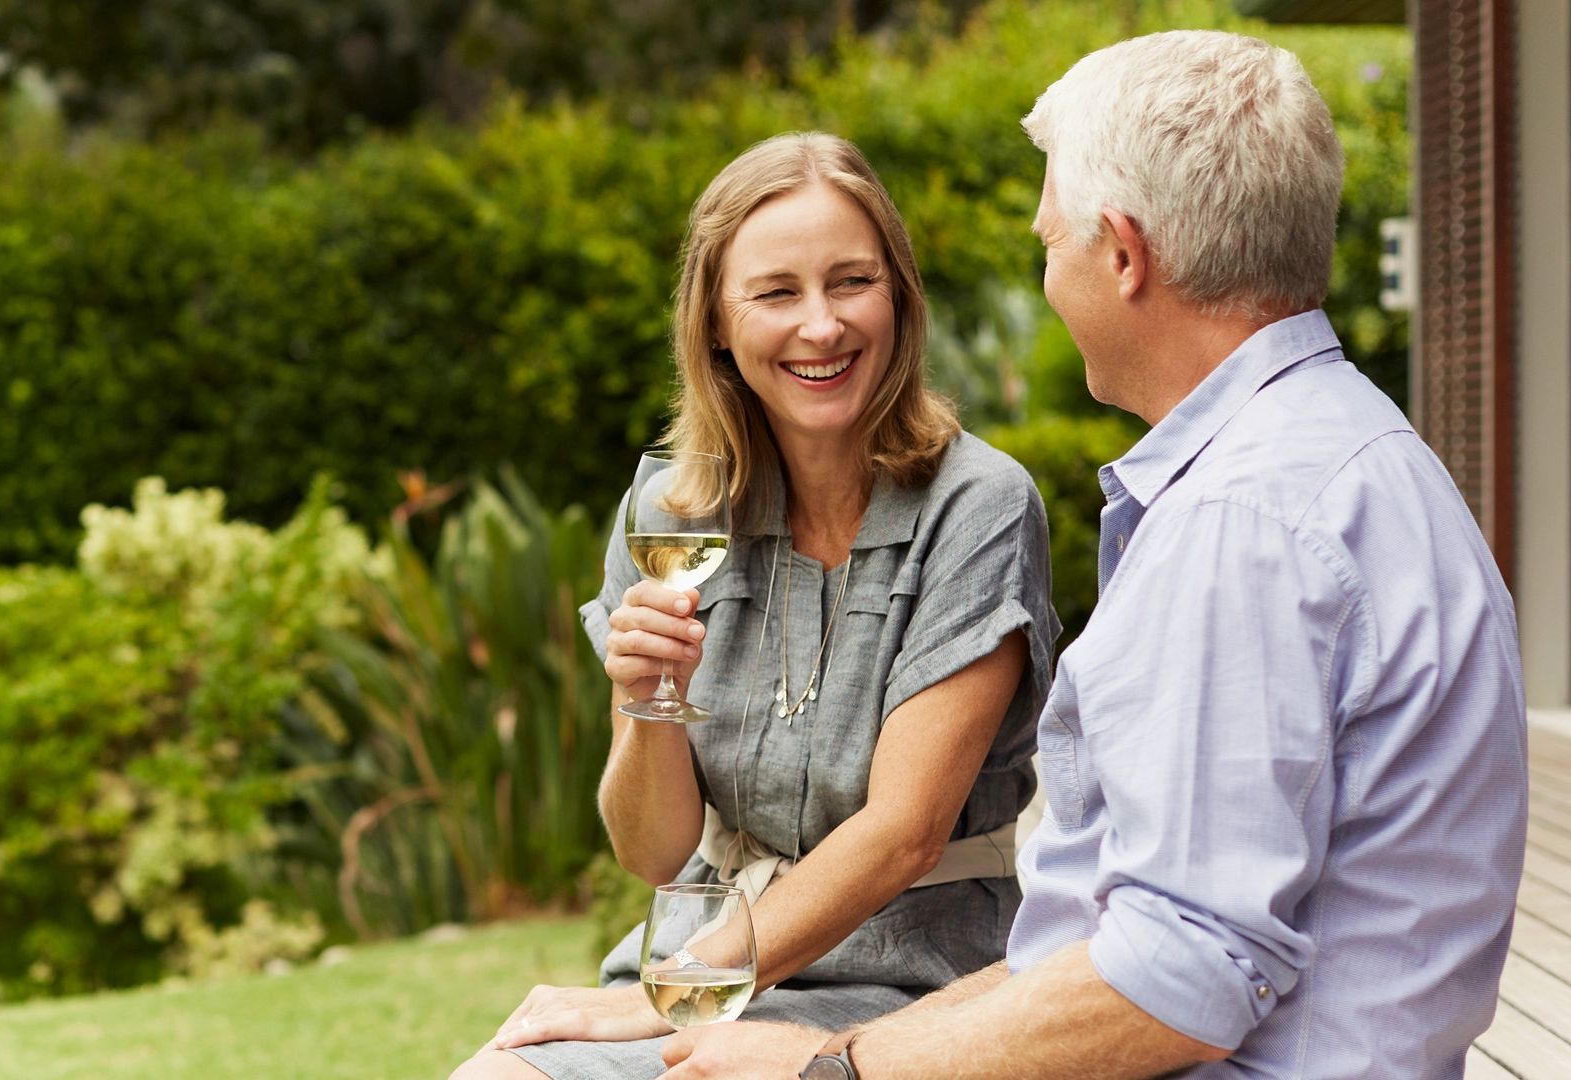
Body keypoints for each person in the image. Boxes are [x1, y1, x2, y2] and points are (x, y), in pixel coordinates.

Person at [659, 29, 1529, 1080]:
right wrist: (836, 1050)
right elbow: (1111, 944)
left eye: (1049, 239)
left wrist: (825, 1074)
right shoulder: (1354, 452)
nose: (1046, 273)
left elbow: (1179, 980)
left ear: (1122, 254)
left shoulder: (1244, 525)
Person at [450, 133, 1061, 1080]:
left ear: (897, 296)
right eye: (777, 293)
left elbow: (905, 835)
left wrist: (671, 995)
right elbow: (653, 853)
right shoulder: (670, 513)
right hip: (702, 957)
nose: (821, 326)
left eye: (851, 281)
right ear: (716, 326)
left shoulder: (976, 506)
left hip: (914, 982)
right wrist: (653, 700)